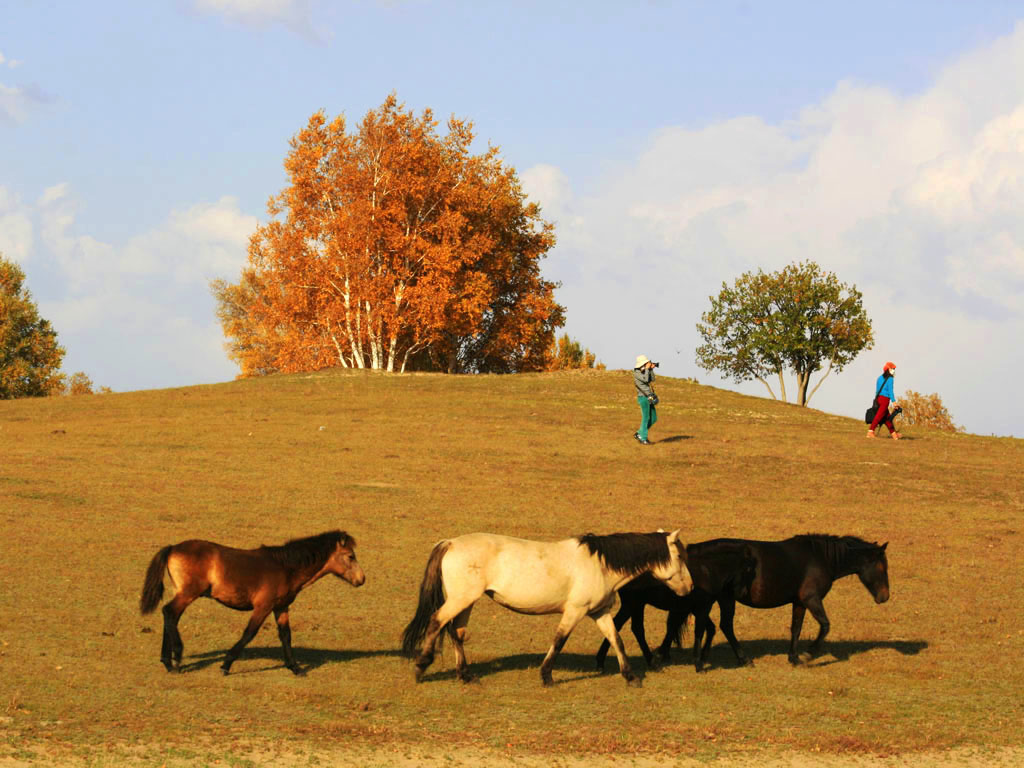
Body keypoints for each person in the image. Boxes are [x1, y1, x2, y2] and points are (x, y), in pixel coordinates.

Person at [868, 361, 902, 440]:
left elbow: (877, 390)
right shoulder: (890, 379)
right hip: (885, 400)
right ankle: (870, 431)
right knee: (879, 415)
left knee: (887, 418)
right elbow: (890, 391)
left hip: (878, 398)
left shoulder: (879, 377)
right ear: (889, 369)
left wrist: (877, 398)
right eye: (893, 369)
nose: (894, 370)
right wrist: (894, 402)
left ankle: (894, 434)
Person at [633, 355, 658, 445]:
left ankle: (639, 433)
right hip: (643, 397)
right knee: (646, 418)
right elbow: (645, 379)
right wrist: (647, 369)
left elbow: (652, 379)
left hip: (649, 397)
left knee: (654, 418)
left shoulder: (644, 371)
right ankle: (643, 438)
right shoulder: (637, 372)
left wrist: (651, 369)